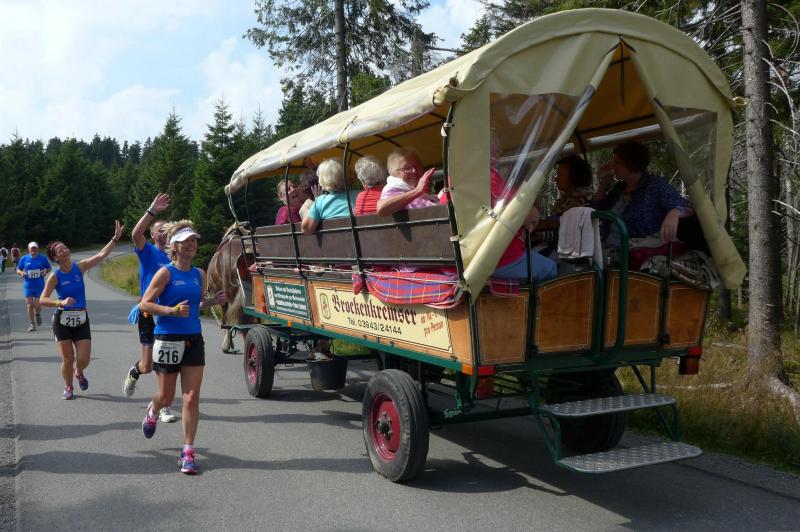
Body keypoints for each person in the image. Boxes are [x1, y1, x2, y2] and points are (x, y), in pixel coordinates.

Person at [138, 220, 226, 475]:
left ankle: (187, 451)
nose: (192, 244)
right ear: (174, 246)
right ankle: (153, 410)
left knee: (191, 397)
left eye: (194, 240)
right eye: (186, 241)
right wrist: (171, 310)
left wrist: (213, 301)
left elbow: (196, 305)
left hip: (193, 340)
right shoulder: (165, 273)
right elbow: (145, 304)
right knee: (166, 397)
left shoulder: (199, 274)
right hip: (167, 338)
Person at [39, 221, 124, 399]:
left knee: (84, 359)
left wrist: (115, 238)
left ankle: (79, 371)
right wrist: (60, 302)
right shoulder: (55, 276)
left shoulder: (80, 267)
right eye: (60, 250)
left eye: (64, 247)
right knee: (67, 358)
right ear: (55, 257)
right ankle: (68, 386)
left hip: (81, 318)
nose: (64, 250)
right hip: (62, 320)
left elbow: (102, 254)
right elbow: (42, 299)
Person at [120, 193, 177, 423]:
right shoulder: (148, 252)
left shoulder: (174, 258)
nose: (163, 233)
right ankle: (135, 371)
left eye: (166, 230)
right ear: (152, 235)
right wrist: (152, 210)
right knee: (148, 365)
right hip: (148, 312)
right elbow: (136, 234)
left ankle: (163, 406)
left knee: (164, 361)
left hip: (167, 315)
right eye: (159, 230)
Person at [594, 141, 693, 247]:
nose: (612, 166)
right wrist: (603, 185)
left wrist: (675, 213)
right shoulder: (619, 188)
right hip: (608, 246)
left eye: (616, 162)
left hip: (638, 250)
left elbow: (688, 207)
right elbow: (596, 210)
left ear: (631, 164)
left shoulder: (655, 185)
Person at [300, 159, 358, 234]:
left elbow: (306, 229)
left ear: (323, 180)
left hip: (335, 240)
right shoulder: (361, 196)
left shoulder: (320, 201)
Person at [375, 148, 438, 216]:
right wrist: (417, 190)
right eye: (407, 168)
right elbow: (381, 208)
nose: (414, 171)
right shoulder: (394, 188)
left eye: (417, 166)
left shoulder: (413, 190)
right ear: (394, 174)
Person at [16, 242, 52, 331]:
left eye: (35, 248)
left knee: (37, 305)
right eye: (32, 248)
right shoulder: (24, 258)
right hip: (28, 285)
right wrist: (21, 273)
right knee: (29, 305)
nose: (33, 250)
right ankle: (32, 324)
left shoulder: (42, 258)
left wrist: (45, 271)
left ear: (37, 249)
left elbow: (49, 268)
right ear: (28, 249)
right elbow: (18, 269)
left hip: (39, 285)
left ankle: (38, 314)